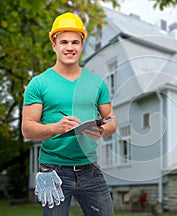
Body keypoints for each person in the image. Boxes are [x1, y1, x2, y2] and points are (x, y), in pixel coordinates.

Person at [22, 12, 117, 216]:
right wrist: (55, 128)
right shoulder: (39, 83)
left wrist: (102, 129)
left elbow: (112, 121)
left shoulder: (97, 83)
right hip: (53, 171)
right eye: (63, 41)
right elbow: (28, 128)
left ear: (82, 46)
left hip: (90, 169)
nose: (70, 47)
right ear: (53, 44)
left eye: (75, 42)